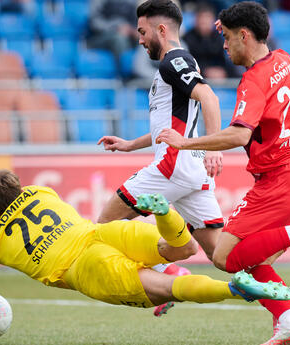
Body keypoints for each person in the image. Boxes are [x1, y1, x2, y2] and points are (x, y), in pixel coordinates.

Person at [155, 2, 290, 345]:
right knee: (253, 255)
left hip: (279, 182)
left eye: (228, 38)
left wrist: (186, 144)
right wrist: (229, 21)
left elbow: (240, 134)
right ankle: (289, 321)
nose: (224, 46)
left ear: (245, 35)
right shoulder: (284, 60)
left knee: (224, 257)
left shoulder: (254, 81)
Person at [0, 167, 290, 316]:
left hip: (84, 268)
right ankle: (164, 214)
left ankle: (233, 288)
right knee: (183, 248)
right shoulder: (42, 193)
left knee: (164, 288)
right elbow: (12, 194)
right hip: (104, 232)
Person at [96, 0, 224, 316]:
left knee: (102, 228)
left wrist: (215, 147)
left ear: (161, 29)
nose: (139, 39)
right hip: (190, 168)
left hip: (173, 167)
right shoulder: (173, 65)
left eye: (142, 31)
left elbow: (209, 96)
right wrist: (130, 145)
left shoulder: (173, 61)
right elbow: (168, 127)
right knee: (224, 256)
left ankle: (167, 277)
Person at [182, 2, 235, 79]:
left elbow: (226, 61)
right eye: (202, 18)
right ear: (196, 20)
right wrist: (205, 71)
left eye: (207, 18)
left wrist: (224, 71)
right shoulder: (187, 39)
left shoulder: (219, 37)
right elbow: (187, 65)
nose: (204, 22)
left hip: (220, 79)